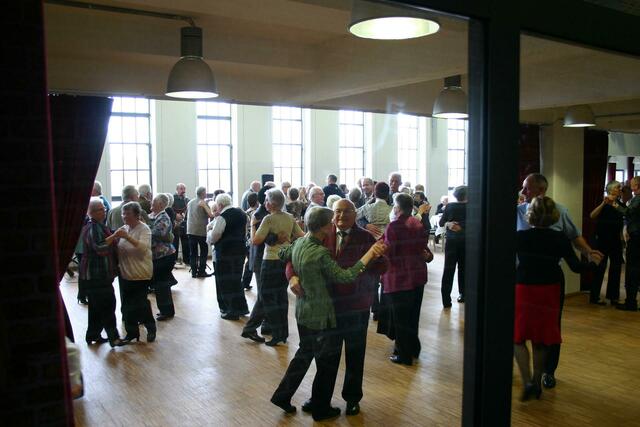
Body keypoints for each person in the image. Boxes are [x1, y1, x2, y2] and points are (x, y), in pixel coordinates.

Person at [270, 206, 386, 421]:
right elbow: (291, 259)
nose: (340, 216)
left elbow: (382, 268)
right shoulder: (321, 235)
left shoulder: (366, 237)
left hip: (354, 307)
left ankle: (351, 399)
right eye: (337, 212)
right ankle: (320, 402)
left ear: (356, 214)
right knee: (326, 358)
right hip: (325, 310)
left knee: (353, 354)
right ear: (329, 219)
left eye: (346, 212)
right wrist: (291, 277)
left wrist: (377, 257)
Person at [517, 173, 603, 389]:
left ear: (540, 190)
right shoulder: (516, 211)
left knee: (548, 327)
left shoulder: (560, 212)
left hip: (540, 282)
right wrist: (593, 263)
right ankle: (534, 375)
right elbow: (575, 264)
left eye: (527, 188)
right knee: (534, 327)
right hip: (526, 280)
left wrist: (588, 251)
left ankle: (547, 372)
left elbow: (575, 237)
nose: (523, 192)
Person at [377, 193, 433, 366]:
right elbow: (422, 248)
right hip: (417, 275)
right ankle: (414, 348)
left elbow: (389, 252)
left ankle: (404, 355)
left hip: (399, 276)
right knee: (412, 316)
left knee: (401, 319)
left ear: (397, 207)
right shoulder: (417, 222)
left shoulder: (394, 226)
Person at [252, 189, 304, 344]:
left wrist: (252, 225)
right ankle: (283, 333)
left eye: (267, 200)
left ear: (272, 203)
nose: (265, 203)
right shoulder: (289, 218)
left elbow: (256, 241)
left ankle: (277, 334)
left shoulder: (268, 219)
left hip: (270, 261)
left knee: (268, 297)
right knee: (281, 297)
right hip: (285, 261)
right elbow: (302, 235)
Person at [78, 198, 125, 347]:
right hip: (96, 275)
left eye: (104, 208)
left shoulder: (99, 226)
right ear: (92, 212)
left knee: (96, 306)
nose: (104, 211)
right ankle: (114, 338)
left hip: (98, 274)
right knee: (107, 304)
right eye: (100, 209)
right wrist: (115, 235)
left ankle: (93, 335)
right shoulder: (93, 227)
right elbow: (100, 248)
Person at [116, 202, 156, 343]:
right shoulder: (124, 228)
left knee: (140, 304)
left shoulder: (144, 229)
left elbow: (142, 249)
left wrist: (127, 237)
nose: (124, 216)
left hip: (140, 273)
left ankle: (151, 328)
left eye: (128, 213)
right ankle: (131, 333)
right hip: (126, 274)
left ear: (137, 215)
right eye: (123, 213)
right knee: (127, 305)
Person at [241, 185, 276, 341]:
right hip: (261, 260)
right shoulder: (261, 215)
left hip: (264, 259)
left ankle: (267, 325)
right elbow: (264, 239)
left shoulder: (265, 213)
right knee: (264, 295)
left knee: (267, 293)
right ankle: (250, 327)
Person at [207, 193, 250, 320]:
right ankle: (242, 308)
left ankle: (230, 310)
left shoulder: (222, 217)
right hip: (240, 252)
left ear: (220, 205)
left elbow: (215, 236)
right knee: (236, 280)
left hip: (225, 253)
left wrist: (209, 231)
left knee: (225, 282)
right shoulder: (242, 213)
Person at [589, 180, 624, 305]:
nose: (620, 189)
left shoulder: (620, 204)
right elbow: (592, 215)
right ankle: (594, 297)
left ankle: (613, 296)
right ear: (610, 190)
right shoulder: (604, 204)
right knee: (599, 268)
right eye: (618, 187)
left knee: (616, 268)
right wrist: (603, 203)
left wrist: (622, 238)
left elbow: (622, 222)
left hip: (616, 241)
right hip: (602, 240)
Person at [613, 176, 640, 311]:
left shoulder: (638, 199)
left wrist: (615, 205)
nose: (630, 187)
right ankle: (631, 300)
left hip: (636, 239)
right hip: (636, 237)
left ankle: (631, 302)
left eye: (632, 185)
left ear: (637, 186)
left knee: (632, 269)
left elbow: (628, 213)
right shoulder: (635, 199)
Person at [150, 194, 177, 321]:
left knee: (162, 285)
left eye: (154, 202)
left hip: (164, 255)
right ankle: (165, 310)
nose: (152, 203)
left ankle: (167, 311)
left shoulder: (163, 217)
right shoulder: (156, 216)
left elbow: (158, 233)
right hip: (160, 255)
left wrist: (147, 227)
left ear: (160, 204)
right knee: (160, 284)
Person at [440, 185, 468, 307]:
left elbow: (441, 222)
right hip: (466, 241)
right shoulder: (471, 207)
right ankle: (463, 294)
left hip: (451, 242)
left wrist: (448, 223)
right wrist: (462, 225)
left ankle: (446, 300)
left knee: (448, 270)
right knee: (463, 269)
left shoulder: (449, 206)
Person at [187, 186, 214, 278]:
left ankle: (194, 272)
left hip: (190, 230)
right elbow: (211, 215)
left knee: (192, 252)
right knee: (204, 251)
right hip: (201, 231)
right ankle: (202, 271)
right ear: (203, 193)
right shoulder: (203, 202)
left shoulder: (190, 202)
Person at [241, 192, 259, 290]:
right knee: (251, 261)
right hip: (253, 239)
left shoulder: (245, 212)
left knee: (249, 261)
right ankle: (245, 283)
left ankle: (245, 283)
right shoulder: (257, 213)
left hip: (246, 239)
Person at [172, 183, 190, 265]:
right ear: (177, 190)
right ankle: (173, 260)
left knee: (186, 242)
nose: (183, 191)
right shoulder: (172, 199)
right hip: (175, 224)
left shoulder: (186, 200)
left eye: (184, 189)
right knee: (175, 242)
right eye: (181, 189)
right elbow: (169, 210)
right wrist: (175, 216)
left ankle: (187, 260)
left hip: (184, 223)